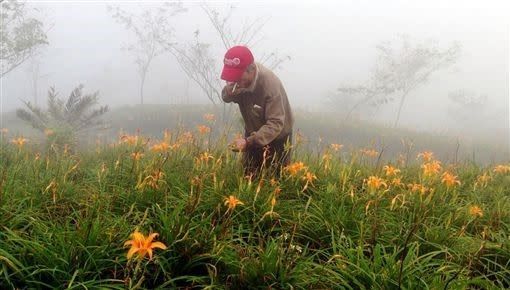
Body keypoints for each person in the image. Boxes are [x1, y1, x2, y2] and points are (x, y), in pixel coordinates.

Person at [220, 46, 294, 178]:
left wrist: (248, 142)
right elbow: (226, 97)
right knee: (249, 174)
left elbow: (276, 123)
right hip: (252, 131)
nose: (235, 81)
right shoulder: (240, 82)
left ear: (252, 70)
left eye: (238, 77)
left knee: (277, 177)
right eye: (232, 77)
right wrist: (229, 93)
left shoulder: (270, 86)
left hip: (278, 136)